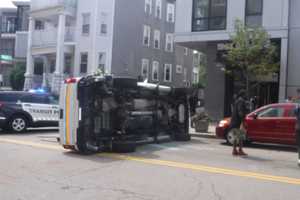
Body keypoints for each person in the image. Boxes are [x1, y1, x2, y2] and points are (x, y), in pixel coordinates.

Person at [229, 90, 248, 156]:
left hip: (234, 121)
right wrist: (243, 121)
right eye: (245, 94)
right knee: (240, 137)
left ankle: (234, 150)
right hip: (238, 122)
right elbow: (240, 112)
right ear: (243, 95)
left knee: (235, 136)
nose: (246, 96)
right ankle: (240, 150)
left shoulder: (237, 101)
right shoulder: (241, 101)